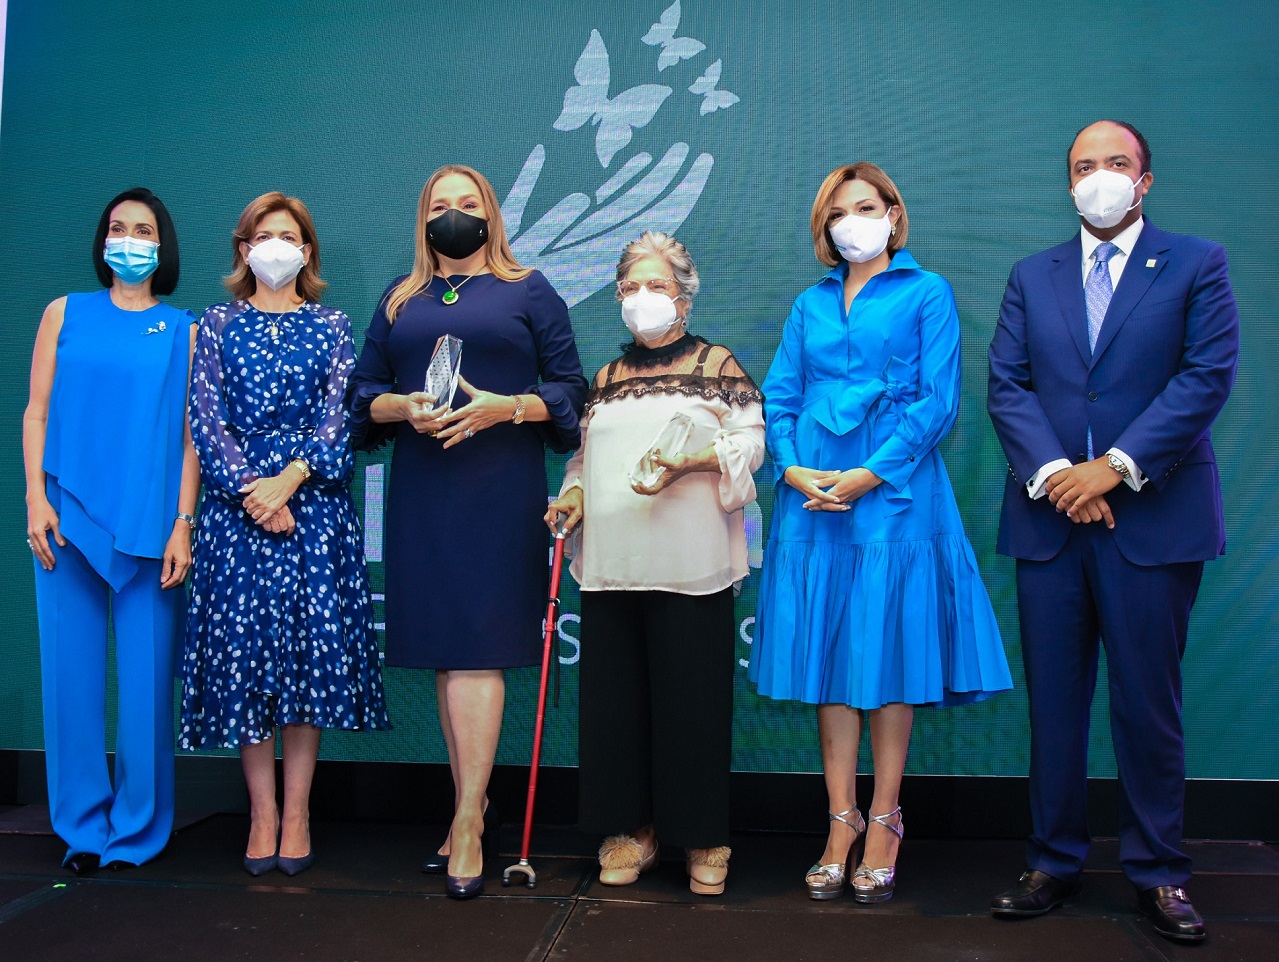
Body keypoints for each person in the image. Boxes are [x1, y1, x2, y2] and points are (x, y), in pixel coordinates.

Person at [987, 121, 1238, 943]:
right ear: (1067, 184)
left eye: (1116, 163)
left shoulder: (1195, 262)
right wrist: (1062, 476)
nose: (1099, 176)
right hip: (1050, 522)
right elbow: (1007, 384)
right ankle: (1050, 862)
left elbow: (1205, 376)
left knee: (1146, 705)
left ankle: (1159, 872)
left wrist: (1114, 468)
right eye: (1083, 166)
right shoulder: (1032, 274)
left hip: (1153, 521)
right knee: (1054, 707)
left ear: (1144, 180)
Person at [749, 163, 1013, 903]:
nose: (851, 222)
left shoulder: (927, 292)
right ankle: (840, 821)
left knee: (889, 654)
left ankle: (886, 820)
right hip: (813, 496)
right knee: (831, 658)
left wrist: (871, 474)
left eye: (864, 207)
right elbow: (779, 395)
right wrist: (791, 468)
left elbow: (938, 401)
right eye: (837, 213)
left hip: (894, 494)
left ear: (893, 215)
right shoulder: (809, 303)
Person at [347, 164, 586, 899]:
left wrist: (505, 407)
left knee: (479, 652)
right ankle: (470, 808)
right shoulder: (401, 296)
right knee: (450, 658)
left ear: (491, 214)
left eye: (468, 203)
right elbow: (361, 395)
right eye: (439, 205)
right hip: (424, 491)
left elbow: (570, 390)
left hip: (497, 490)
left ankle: (470, 826)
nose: (453, 215)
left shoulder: (528, 289)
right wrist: (402, 408)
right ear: (423, 219)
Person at [546, 231, 764, 896]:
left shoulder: (716, 364)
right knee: (615, 707)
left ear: (684, 297)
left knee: (692, 704)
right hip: (612, 565)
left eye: (657, 285)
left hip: (691, 564)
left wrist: (695, 459)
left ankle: (702, 835)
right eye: (631, 287)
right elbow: (583, 459)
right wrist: (573, 494)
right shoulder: (605, 380)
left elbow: (751, 445)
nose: (643, 297)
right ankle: (627, 832)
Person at [179, 192, 390, 877]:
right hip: (237, 513)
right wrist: (254, 490)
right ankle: (261, 813)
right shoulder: (215, 324)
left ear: (307, 251)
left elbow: (340, 416)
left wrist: (290, 479)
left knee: (306, 662)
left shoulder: (332, 325)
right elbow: (205, 419)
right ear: (244, 249)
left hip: (313, 509)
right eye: (263, 235)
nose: (276, 246)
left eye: (289, 236)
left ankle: (297, 813)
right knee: (246, 663)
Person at [23, 187, 199, 874]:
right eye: (119, 228)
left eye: (144, 230)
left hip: (149, 529)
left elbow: (189, 438)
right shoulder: (63, 312)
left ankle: (137, 830)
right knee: (69, 680)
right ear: (103, 241)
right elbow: (36, 413)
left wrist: (182, 524)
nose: (130, 239)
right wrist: (35, 498)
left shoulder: (183, 330)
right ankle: (81, 829)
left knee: (147, 686)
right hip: (64, 519)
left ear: (163, 245)